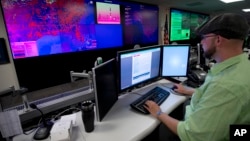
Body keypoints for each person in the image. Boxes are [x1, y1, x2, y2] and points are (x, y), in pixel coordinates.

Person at [144, 13, 250, 141]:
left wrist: (159, 113)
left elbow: (191, 135)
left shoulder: (225, 85)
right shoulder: (241, 66)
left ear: (218, 40)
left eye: (204, 37)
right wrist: (188, 91)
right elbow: (216, 95)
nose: (201, 41)